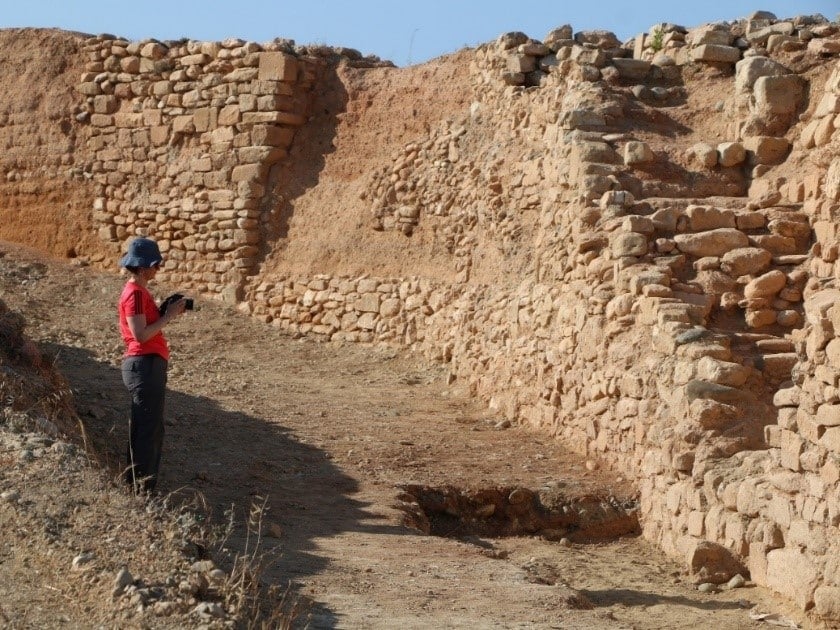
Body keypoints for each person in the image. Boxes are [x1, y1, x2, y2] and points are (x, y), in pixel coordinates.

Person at [117, 237, 186, 493]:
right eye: (155, 265)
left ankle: (139, 487)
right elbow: (141, 334)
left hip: (146, 365)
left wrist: (162, 311)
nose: (158, 269)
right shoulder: (134, 293)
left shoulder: (139, 292)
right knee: (147, 430)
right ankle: (140, 490)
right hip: (143, 365)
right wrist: (168, 316)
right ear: (143, 267)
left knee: (148, 428)